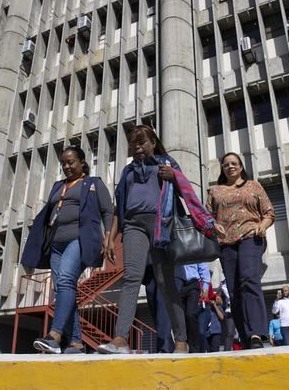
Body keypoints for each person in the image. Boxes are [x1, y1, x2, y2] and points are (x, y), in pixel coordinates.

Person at [98, 125, 191, 354]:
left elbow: (186, 189)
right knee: (131, 278)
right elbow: (119, 207)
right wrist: (110, 237)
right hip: (133, 226)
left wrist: (175, 177)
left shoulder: (166, 162)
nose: (137, 147)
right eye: (133, 143)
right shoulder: (127, 171)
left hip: (161, 225)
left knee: (165, 281)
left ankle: (181, 340)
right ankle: (120, 339)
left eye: (142, 142)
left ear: (153, 143)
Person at [21, 146, 113, 354]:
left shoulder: (93, 184)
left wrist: (108, 237)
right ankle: (76, 342)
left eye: (71, 162)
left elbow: (108, 211)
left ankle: (54, 335)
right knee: (62, 289)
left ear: (82, 162)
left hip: (79, 239)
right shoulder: (57, 185)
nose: (67, 166)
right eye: (63, 163)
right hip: (56, 243)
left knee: (65, 281)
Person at [206, 152, 275, 349]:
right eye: (226, 164)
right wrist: (212, 224)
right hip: (226, 243)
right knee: (234, 290)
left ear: (241, 166)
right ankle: (245, 336)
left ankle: (256, 333)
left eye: (234, 163)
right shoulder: (215, 191)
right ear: (222, 169)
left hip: (250, 236)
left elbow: (269, 212)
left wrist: (262, 225)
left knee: (248, 279)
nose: (230, 166)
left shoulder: (253, 186)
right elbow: (206, 216)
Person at [175, 263, 211, 353]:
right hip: (177, 284)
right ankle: (183, 345)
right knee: (180, 317)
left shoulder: (193, 248)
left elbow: (203, 266)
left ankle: (194, 348)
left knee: (190, 314)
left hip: (192, 284)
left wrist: (205, 286)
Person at [219, 279, 235, 351]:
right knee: (230, 333)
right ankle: (227, 351)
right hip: (229, 311)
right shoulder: (222, 284)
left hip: (240, 308)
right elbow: (218, 299)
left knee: (244, 331)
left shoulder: (238, 279)